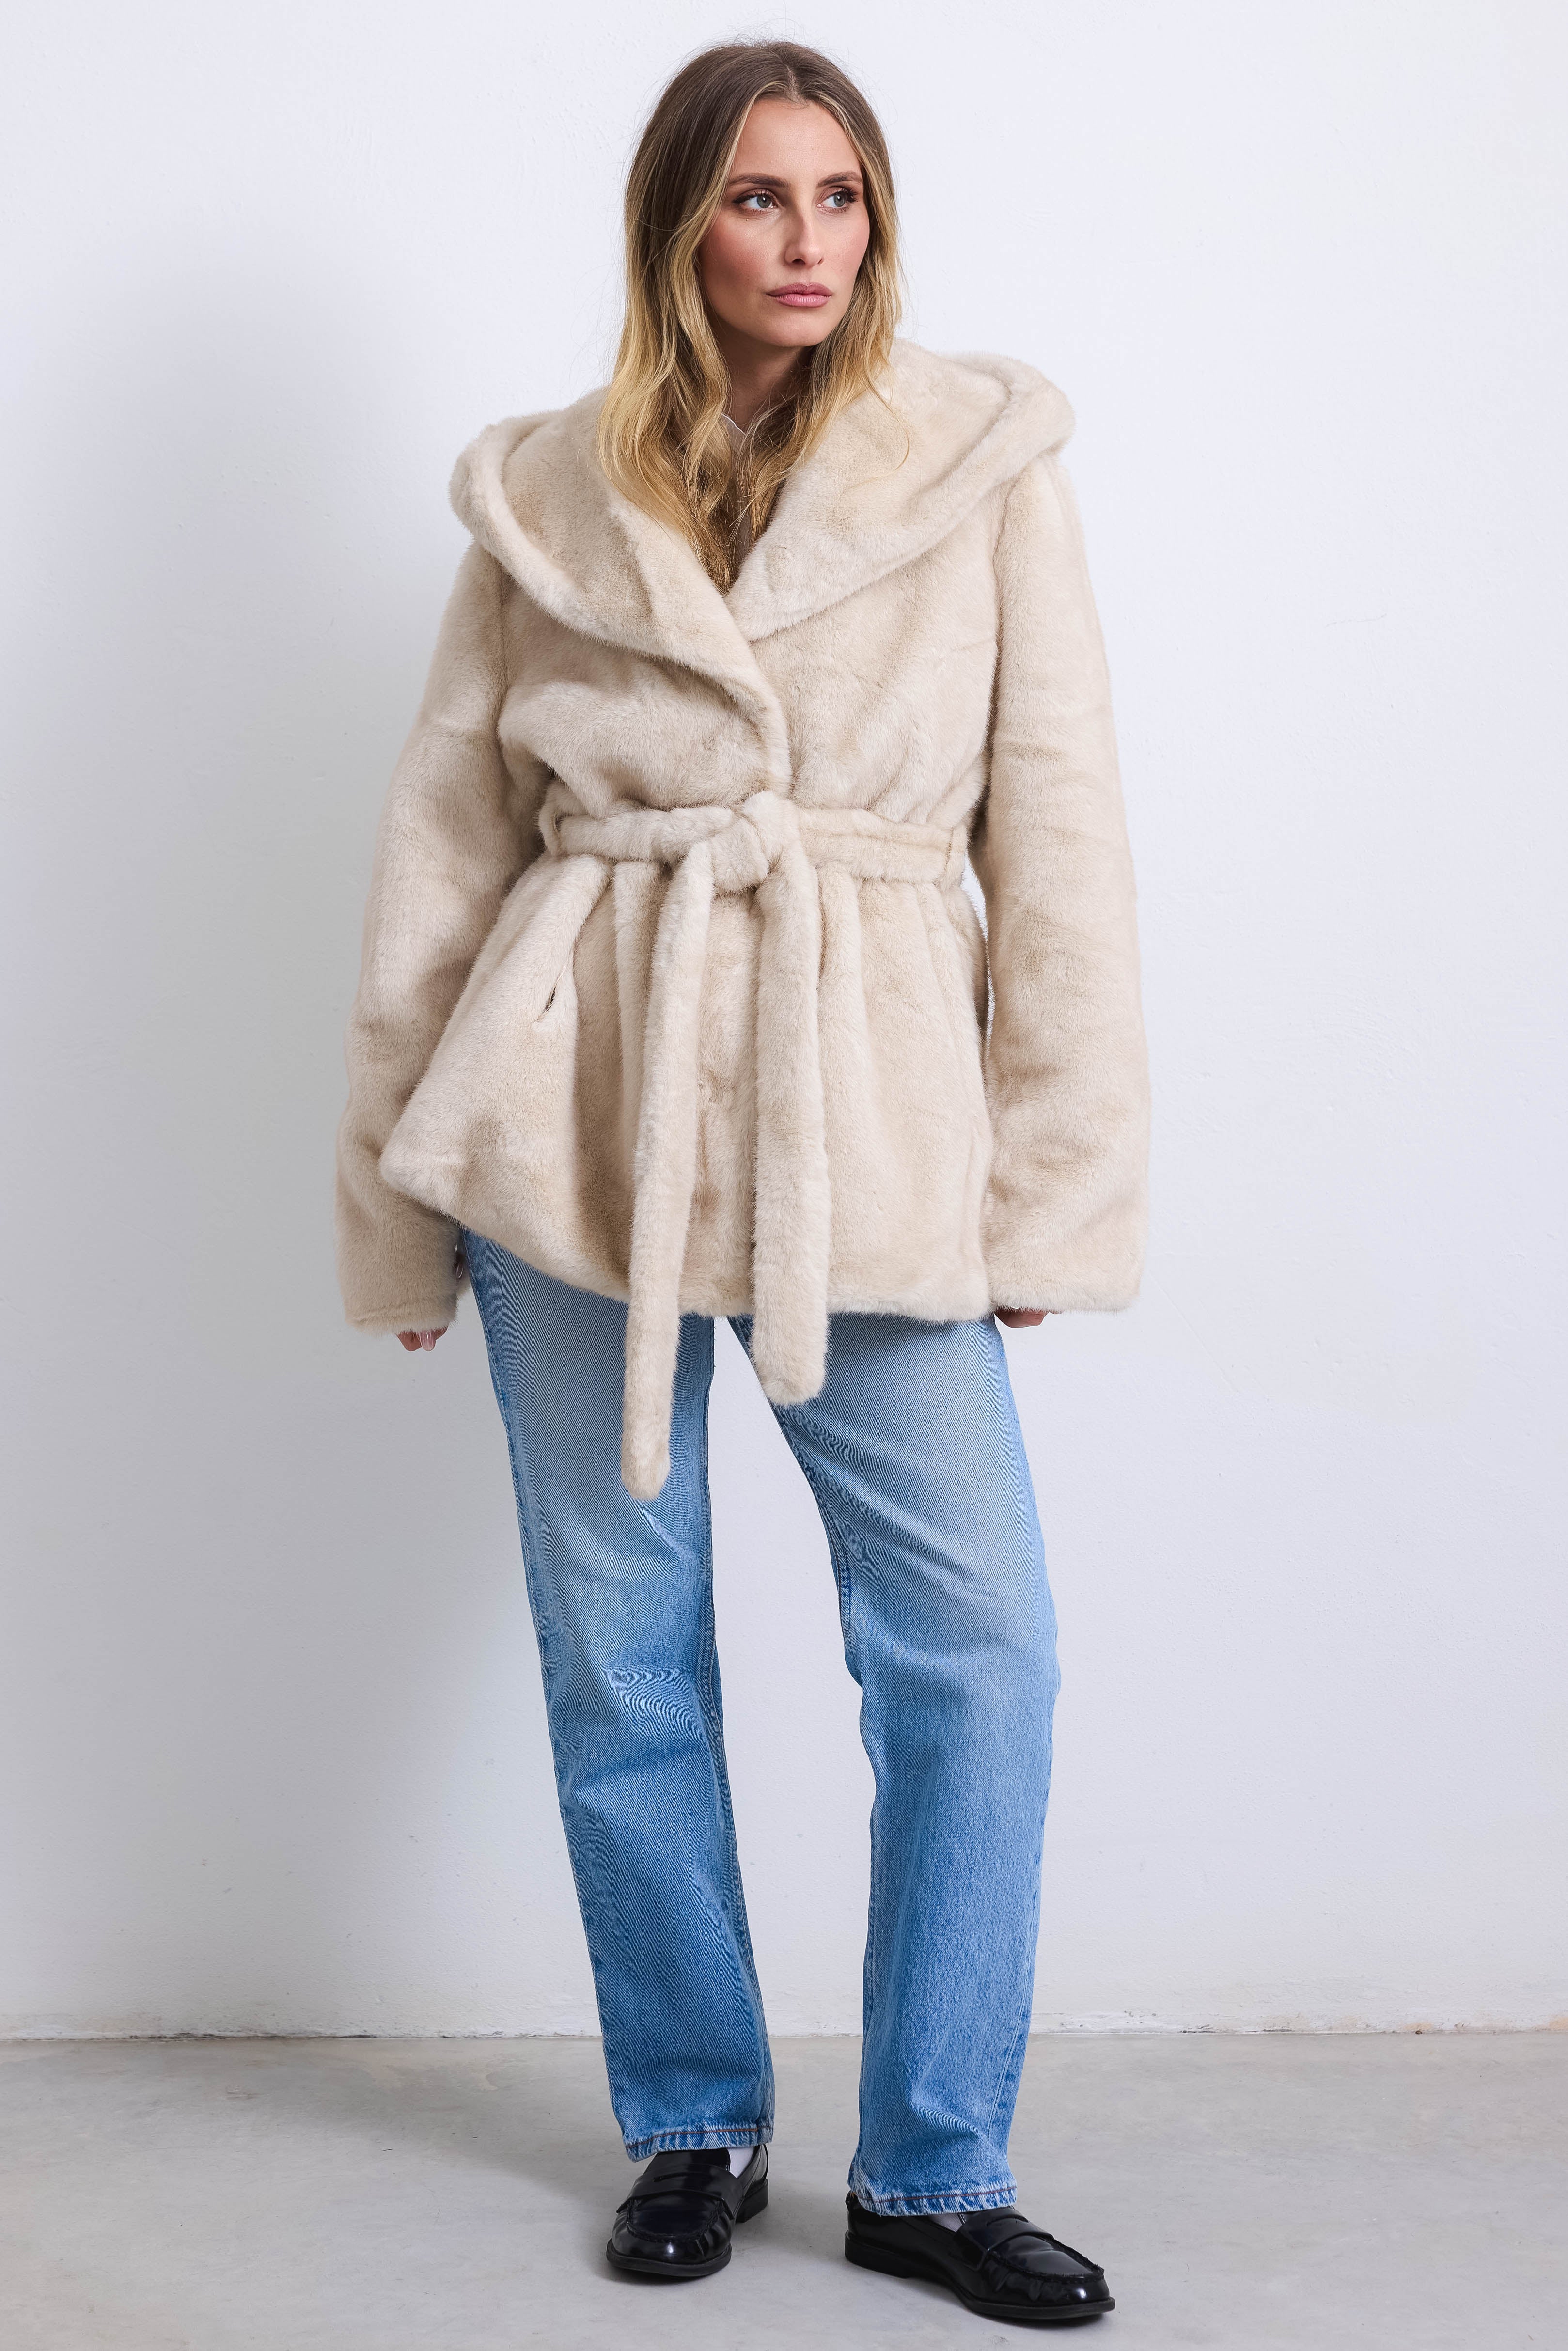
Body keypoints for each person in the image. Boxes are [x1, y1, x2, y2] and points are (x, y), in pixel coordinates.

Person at [335, 37, 1147, 2328]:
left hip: (857, 1104)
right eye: (758, 198)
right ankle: (690, 2114)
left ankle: (931, 2164)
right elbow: (441, 852)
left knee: (976, 1647)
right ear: (676, 223)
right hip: (566, 1100)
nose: (807, 241)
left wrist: (1044, 1185)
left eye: (841, 197)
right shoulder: (542, 491)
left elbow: (1057, 839)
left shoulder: (979, 462)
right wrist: (400, 1204)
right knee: (622, 1649)